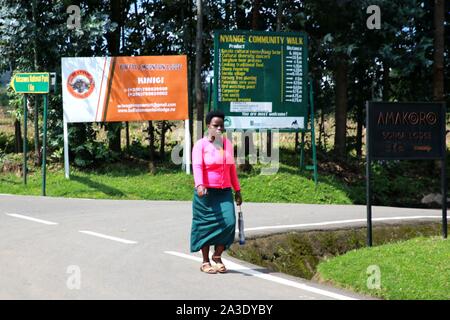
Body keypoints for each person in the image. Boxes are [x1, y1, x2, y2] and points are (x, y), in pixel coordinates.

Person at [190, 110, 242, 274]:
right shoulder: (201, 145)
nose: (219, 128)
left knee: (229, 222)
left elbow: (232, 169)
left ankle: (217, 255)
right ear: (208, 126)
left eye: (221, 125)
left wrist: (237, 189)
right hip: (205, 193)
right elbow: (197, 166)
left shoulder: (227, 144)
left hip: (224, 192)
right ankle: (205, 261)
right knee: (205, 226)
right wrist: (199, 185)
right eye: (215, 125)